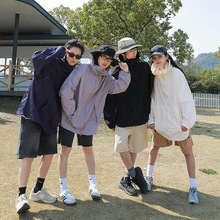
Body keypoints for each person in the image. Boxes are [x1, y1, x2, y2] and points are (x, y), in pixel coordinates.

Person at [15, 39, 85, 214]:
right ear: (65, 51)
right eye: (71, 54)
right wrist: (59, 50)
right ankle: (21, 196)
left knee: (49, 155)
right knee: (28, 156)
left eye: (78, 56)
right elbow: (36, 59)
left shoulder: (74, 74)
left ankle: (38, 190)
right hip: (33, 113)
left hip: (52, 118)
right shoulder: (50, 61)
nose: (74, 58)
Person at [58, 45, 130, 205]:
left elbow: (119, 87)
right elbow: (66, 91)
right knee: (65, 150)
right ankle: (63, 188)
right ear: (97, 56)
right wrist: (72, 113)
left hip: (89, 120)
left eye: (109, 59)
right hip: (70, 118)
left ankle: (93, 184)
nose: (106, 61)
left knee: (88, 150)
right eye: (104, 57)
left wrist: (125, 73)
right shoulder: (83, 69)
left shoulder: (107, 78)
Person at [146, 45, 198, 204]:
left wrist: (187, 122)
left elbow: (186, 98)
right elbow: (152, 99)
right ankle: (148, 178)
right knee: (154, 147)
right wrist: (151, 120)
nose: (157, 60)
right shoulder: (153, 75)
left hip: (178, 121)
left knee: (188, 152)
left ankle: (193, 188)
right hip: (160, 121)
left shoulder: (176, 74)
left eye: (159, 57)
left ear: (167, 56)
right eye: (154, 58)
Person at [104, 37, 154, 196]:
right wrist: (110, 119)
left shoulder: (144, 67)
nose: (134, 52)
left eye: (135, 49)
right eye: (130, 50)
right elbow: (110, 97)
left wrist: (150, 113)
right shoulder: (118, 71)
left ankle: (125, 179)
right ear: (123, 54)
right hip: (122, 117)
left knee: (133, 148)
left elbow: (150, 90)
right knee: (122, 147)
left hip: (140, 116)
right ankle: (134, 174)